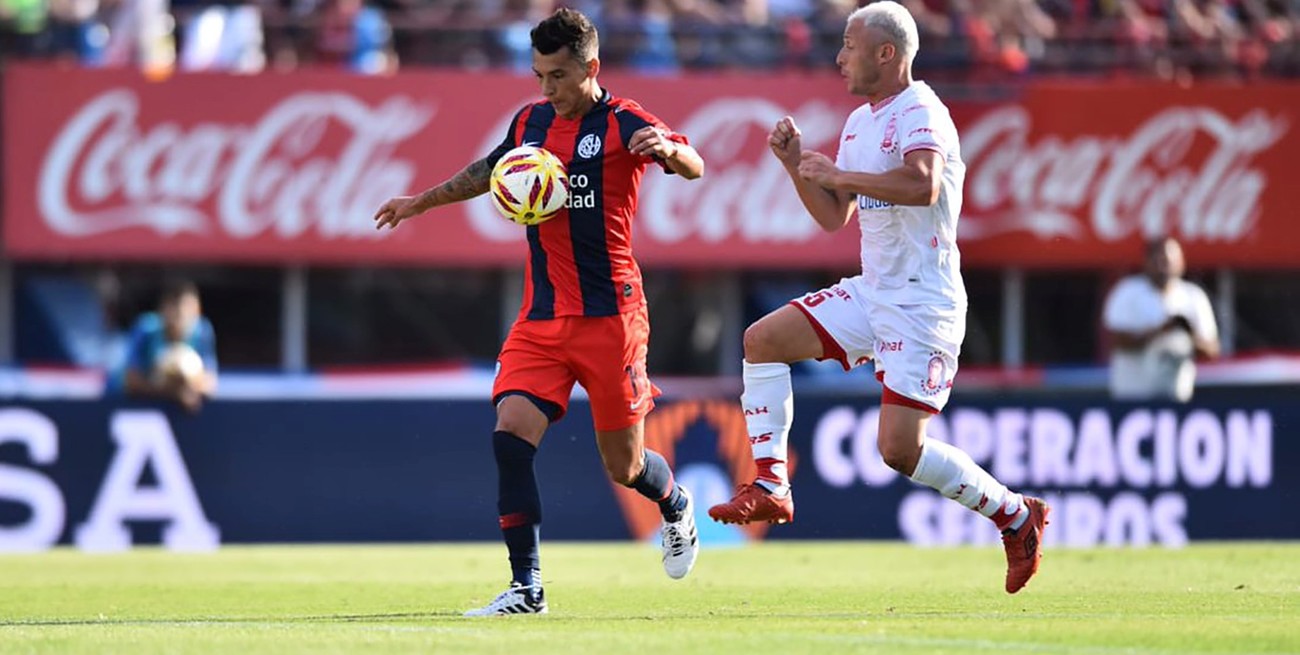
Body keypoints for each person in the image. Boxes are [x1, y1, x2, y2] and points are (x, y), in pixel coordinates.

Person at [706, 1, 1049, 594]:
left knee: (897, 449)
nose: (839, 57)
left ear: (886, 53)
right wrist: (795, 166)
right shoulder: (860, 123)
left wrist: (838, 176)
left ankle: (1016, 514)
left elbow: (923, 184)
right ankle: (771, 484)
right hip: (874, 291)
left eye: (849, 45)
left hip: (922, 302)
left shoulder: (922, 109)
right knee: (761, 341)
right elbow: (833, 217)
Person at [372, 8, 706, 616]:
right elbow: (489, 170)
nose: (547, 88)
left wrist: (667, 151)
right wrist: (420, 202)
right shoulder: (531, 121)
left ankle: (675, 503)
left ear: (591, 68)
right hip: (543, 316)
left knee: (625, 465)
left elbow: (694, 163)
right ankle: (527, 587)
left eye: (558, 76)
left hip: (612, 319)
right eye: (539, 76)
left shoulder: (624, 120)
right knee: (510, 436)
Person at [1102, 236, 1220, 402]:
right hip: (1133, 396)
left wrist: (1186, 333)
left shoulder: (1193, 296)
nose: (1163, 267)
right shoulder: (1127, 292)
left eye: (1168, 261)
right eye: (1157, 261)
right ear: (1146, 262)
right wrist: (1160, 331)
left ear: (1181, 262)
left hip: (1177, 396)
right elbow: (1116, 341)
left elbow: (1212, 350)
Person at [120, 279, 218, 413]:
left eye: (185, 312)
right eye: (173, 310)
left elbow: (209, 383)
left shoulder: (203, 331)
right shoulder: (145, 329)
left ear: (197, 311)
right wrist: (174, 392)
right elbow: (130, 383)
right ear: (161, 310)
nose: (178, 318)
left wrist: (186, 384)